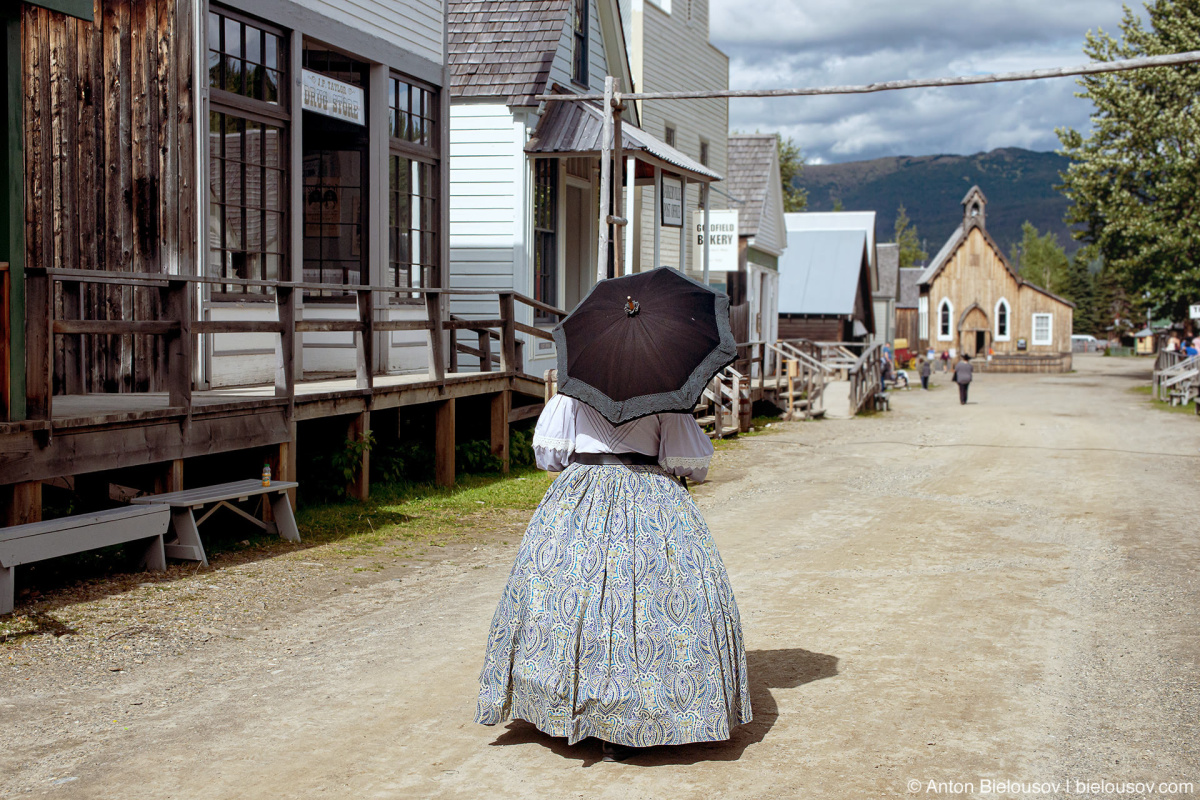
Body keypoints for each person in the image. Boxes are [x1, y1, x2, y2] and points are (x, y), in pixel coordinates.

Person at [475, 393, 751, 761]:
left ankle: (558, 705)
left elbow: (550, 457)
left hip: (581, 494)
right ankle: (630, 721)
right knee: (646, 607)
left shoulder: (572, 394)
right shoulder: (666, 396)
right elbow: (692, 465)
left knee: (566, 596)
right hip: (650, 498)